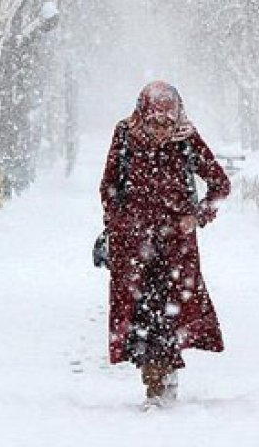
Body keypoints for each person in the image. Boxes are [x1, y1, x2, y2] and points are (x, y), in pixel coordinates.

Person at [99, 81, 231, 408]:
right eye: (156, 119)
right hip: (134, 245)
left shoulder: (186, 138)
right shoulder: (125, 135)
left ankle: (161, 382)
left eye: (167, 120)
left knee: (168, 312)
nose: (162, 127)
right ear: (143, 111)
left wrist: (196, 217)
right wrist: (118, 224)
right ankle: (155, 379)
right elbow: (109, 186)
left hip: (176, 247)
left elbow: (220, 185)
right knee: (141, 314)